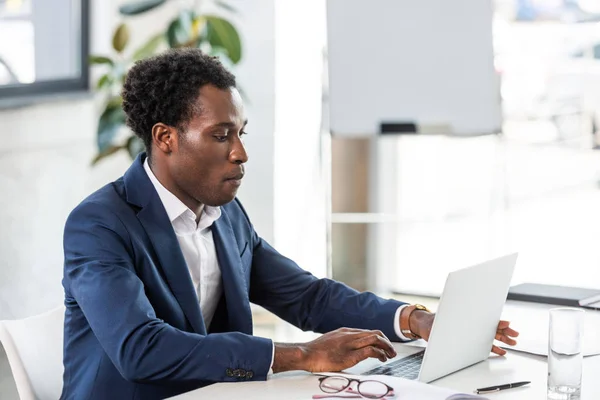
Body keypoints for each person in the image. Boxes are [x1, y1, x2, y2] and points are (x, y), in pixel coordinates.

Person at [60, 48, 518, 400]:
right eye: (221, 135)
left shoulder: (225, 214)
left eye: (241, 133)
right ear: (165, 138)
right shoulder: (100, 225)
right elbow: (141, 349)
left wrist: (415, 319)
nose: (240, 153)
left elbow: (306, 296)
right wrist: (301, 355)